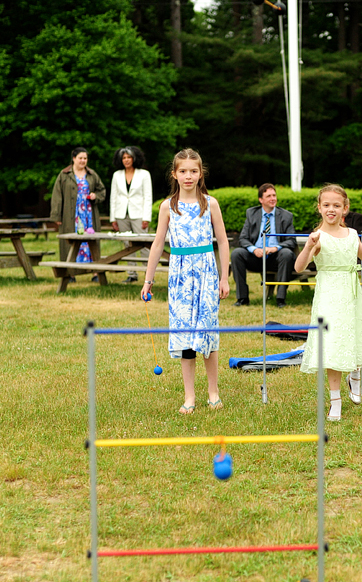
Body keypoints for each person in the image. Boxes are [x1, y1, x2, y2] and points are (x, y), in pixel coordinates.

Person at [140, 149, 230, 415]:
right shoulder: (168, 206)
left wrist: (224, 277)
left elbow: (223, 241)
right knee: (185, 337)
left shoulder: (209, 203)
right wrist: (148, 280)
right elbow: (157, 244)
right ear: (174, 175)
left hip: (206, 273)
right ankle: (189, 396)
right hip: (179, 276)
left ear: (200, 173)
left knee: (208, 332)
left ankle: (213, 392)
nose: (188, 176)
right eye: (183, 171)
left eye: (193, 171)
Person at [296, 185, 362, 421]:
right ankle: (335, 400)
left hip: (351, 294)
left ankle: (355, 376)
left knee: (352, 336)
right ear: (319, 208)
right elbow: (298, 268)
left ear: (344, 209)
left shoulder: (351, 235)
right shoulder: (318, 237)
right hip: (328, 294)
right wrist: (308, 245)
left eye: (336, 205)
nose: (331, 209)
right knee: (332, 345)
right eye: (326, 205)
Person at [230, 183, 297, 307]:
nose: (273, 198)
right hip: (256, 257)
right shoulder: (251, 214)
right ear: (261, 200)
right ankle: (243, 298)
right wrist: (254, 250)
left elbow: (291, 240)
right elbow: (243, 239)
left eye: (274, 195)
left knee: (287, 253)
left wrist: (275, 248)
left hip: (275, 257)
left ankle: (280, 299)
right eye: (268, 196)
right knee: (236, 253)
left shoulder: (286, 216)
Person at [50, 147, 107, 263]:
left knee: (91, 240)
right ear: (74, 158)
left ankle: (94, 270)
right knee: (70, 241)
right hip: (70, 214)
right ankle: (70, 271)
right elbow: (57, 195)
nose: (83, 161)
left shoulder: (92, 174)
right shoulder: (64, 174)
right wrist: (56, 215)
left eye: (85, 158)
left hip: (89, 215)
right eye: (80, 158)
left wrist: (95, 196)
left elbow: (102, 190)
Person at [110, 146, 153, 283]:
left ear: (135, 158)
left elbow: (148, 196)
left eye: (129, 157)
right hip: (121, 214)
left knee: (144, 244)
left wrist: (146, 217)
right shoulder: (117, 175)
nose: (126, 160)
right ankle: (132, 274)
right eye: (124, 158)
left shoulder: (144, 174)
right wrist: (113, 218)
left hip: (139, 213)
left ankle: (148, 274)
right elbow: (113, 197)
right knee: (128, 245)